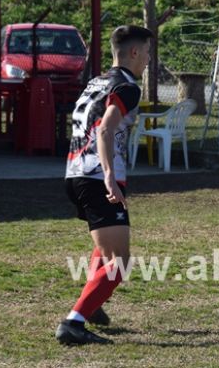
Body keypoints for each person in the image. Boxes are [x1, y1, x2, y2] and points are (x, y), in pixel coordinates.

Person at [56, 25, 152, 345]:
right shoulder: (127, 86)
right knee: (120, 262)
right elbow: (105, 130)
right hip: (98, 177)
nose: (149, 59)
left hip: (76, 174)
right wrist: (110, 173)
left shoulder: (97, 81)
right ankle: (74, 322)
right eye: (148, 52)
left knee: (105, 246)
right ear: (134, 53)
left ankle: (93, 307)